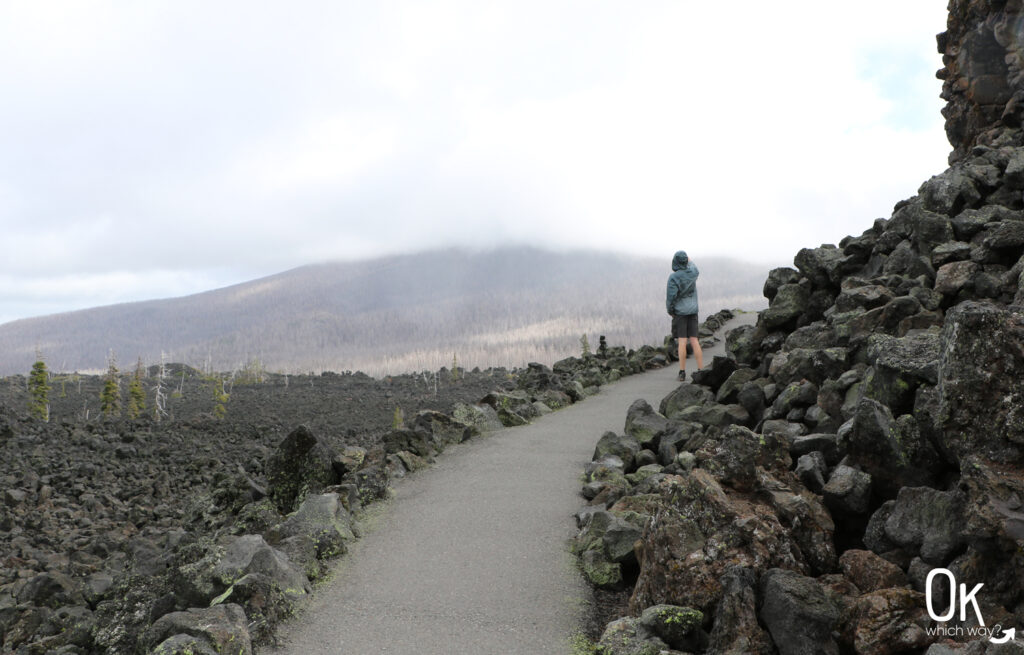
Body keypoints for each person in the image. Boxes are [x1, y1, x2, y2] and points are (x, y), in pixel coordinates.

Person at [666, 250, 703, 381]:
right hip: (693, 311)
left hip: (681, 313)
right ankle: (700, 370)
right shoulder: (693, 273)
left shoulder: (674, 277)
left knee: (682, 341)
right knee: (694, 340)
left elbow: (671, 297)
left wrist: (670, 311)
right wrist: (689, 260)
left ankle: (682, 372)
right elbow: (694, 266)